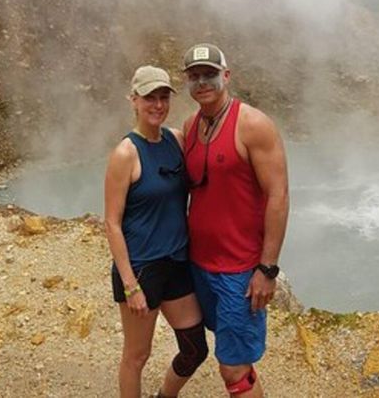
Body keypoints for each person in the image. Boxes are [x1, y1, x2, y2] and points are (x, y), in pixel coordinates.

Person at [181, 43, 290, 397]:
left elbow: (278, 195)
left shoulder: (253, 125)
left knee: (233, 367)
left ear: (226, 76)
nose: (202, 82)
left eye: (209, 74)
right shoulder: (191, 126)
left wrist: (267, 269)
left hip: (239, 270)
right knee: (232, 351)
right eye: (194, 76)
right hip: (199, 264)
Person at [104, 65, 209, 398]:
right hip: (142, 268)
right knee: (137, 356)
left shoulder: (175, 139)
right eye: (150, 97)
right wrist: (130, 285)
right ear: (134, 100)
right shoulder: (126, 153)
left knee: (195, 348)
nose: (158, 105)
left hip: (176, 262)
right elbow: (112, 223)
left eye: (164, 97)